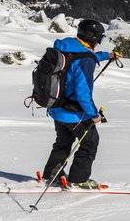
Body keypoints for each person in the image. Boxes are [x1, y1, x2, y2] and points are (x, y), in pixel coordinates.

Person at [40, 19, 117, 189]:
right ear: (93, 37)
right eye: (98, 39)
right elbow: (83, 94)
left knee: (63, 142)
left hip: (55, 107)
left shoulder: (63, 48)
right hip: (74, 113)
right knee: (90, 143)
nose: (98, 42)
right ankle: (78, 180)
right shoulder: (85, 60)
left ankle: (51, 174)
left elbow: (83, 56)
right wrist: (94, 114)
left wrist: (107, 56)